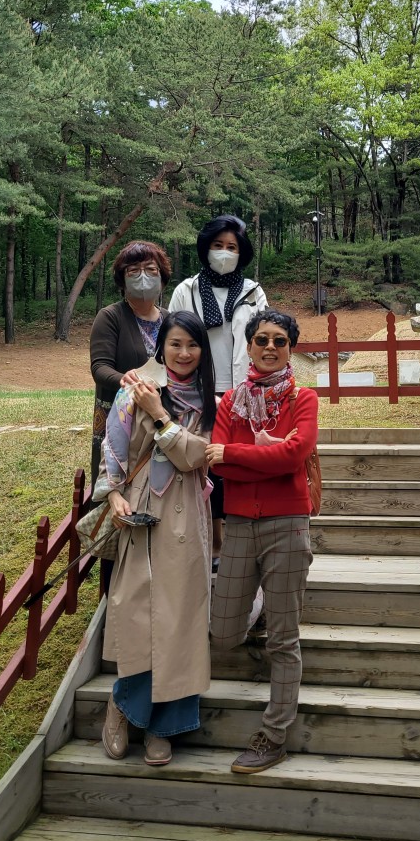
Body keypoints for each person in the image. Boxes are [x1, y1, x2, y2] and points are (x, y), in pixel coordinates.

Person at [95, 310, 216, 766]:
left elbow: (194, 457)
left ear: (203, 350)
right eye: (175, 344)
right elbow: (112, 449)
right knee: (141, 612)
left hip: (187, 513)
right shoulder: (132, 392)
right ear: (160, 348)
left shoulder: (211, 400)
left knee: (181, 618)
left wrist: (161, 415)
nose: (184, 353)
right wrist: (113, 497)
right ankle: (124, 706)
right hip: (141, 511)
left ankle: (165, 727)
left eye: (192, 345)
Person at [206, 307, 318, 774]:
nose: (270, 347)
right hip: (238, 524)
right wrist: (265, 453)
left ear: (291, 348)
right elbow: (216, 464)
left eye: (280, 340)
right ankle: (262, 605)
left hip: (287, 523)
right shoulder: (230, 402)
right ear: (248, 346)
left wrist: (237, 454)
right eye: (261, 339)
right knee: (223, 632)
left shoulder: (303, 398)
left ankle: (274, 736)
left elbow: (295, 456)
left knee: (284, 641)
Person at [169, 215, 267, 568]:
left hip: (242, 392)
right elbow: (171, 338)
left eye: (232, 247)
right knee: (204, 465)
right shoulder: (187, 290)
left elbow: (263, 340)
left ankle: (239, 540)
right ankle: (211, 541)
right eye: (218, 245)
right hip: (196, 391)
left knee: (236, 464)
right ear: (205, 248)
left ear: (242, 253)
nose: (224, 252)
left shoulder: (253, 292)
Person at [89, 241, 171, 487]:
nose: (143, 276)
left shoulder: (170, 320)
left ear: (162, 278)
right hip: (119, 415)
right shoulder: (110, 316)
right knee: (116, 484)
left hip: (159, 413)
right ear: (122, 280)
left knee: (157, 482)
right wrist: (124, 380)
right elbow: (100, 367)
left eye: (151, 269)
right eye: (133, 270)